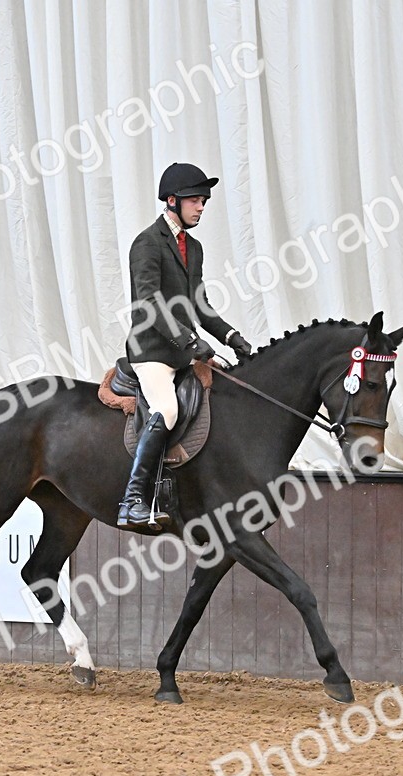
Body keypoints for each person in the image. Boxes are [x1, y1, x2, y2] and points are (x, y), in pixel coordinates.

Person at [117, 162, 252, 530]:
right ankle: (132, 501)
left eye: (204, 201)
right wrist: (192, 343)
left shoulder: (193, 247)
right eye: (195, 200)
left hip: (182, 350)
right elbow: (148, 304)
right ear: (173, 201)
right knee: (168, 408)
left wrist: (231, 337)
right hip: (152, 351)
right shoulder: (147, 243)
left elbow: (200, 305)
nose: (201, 207)